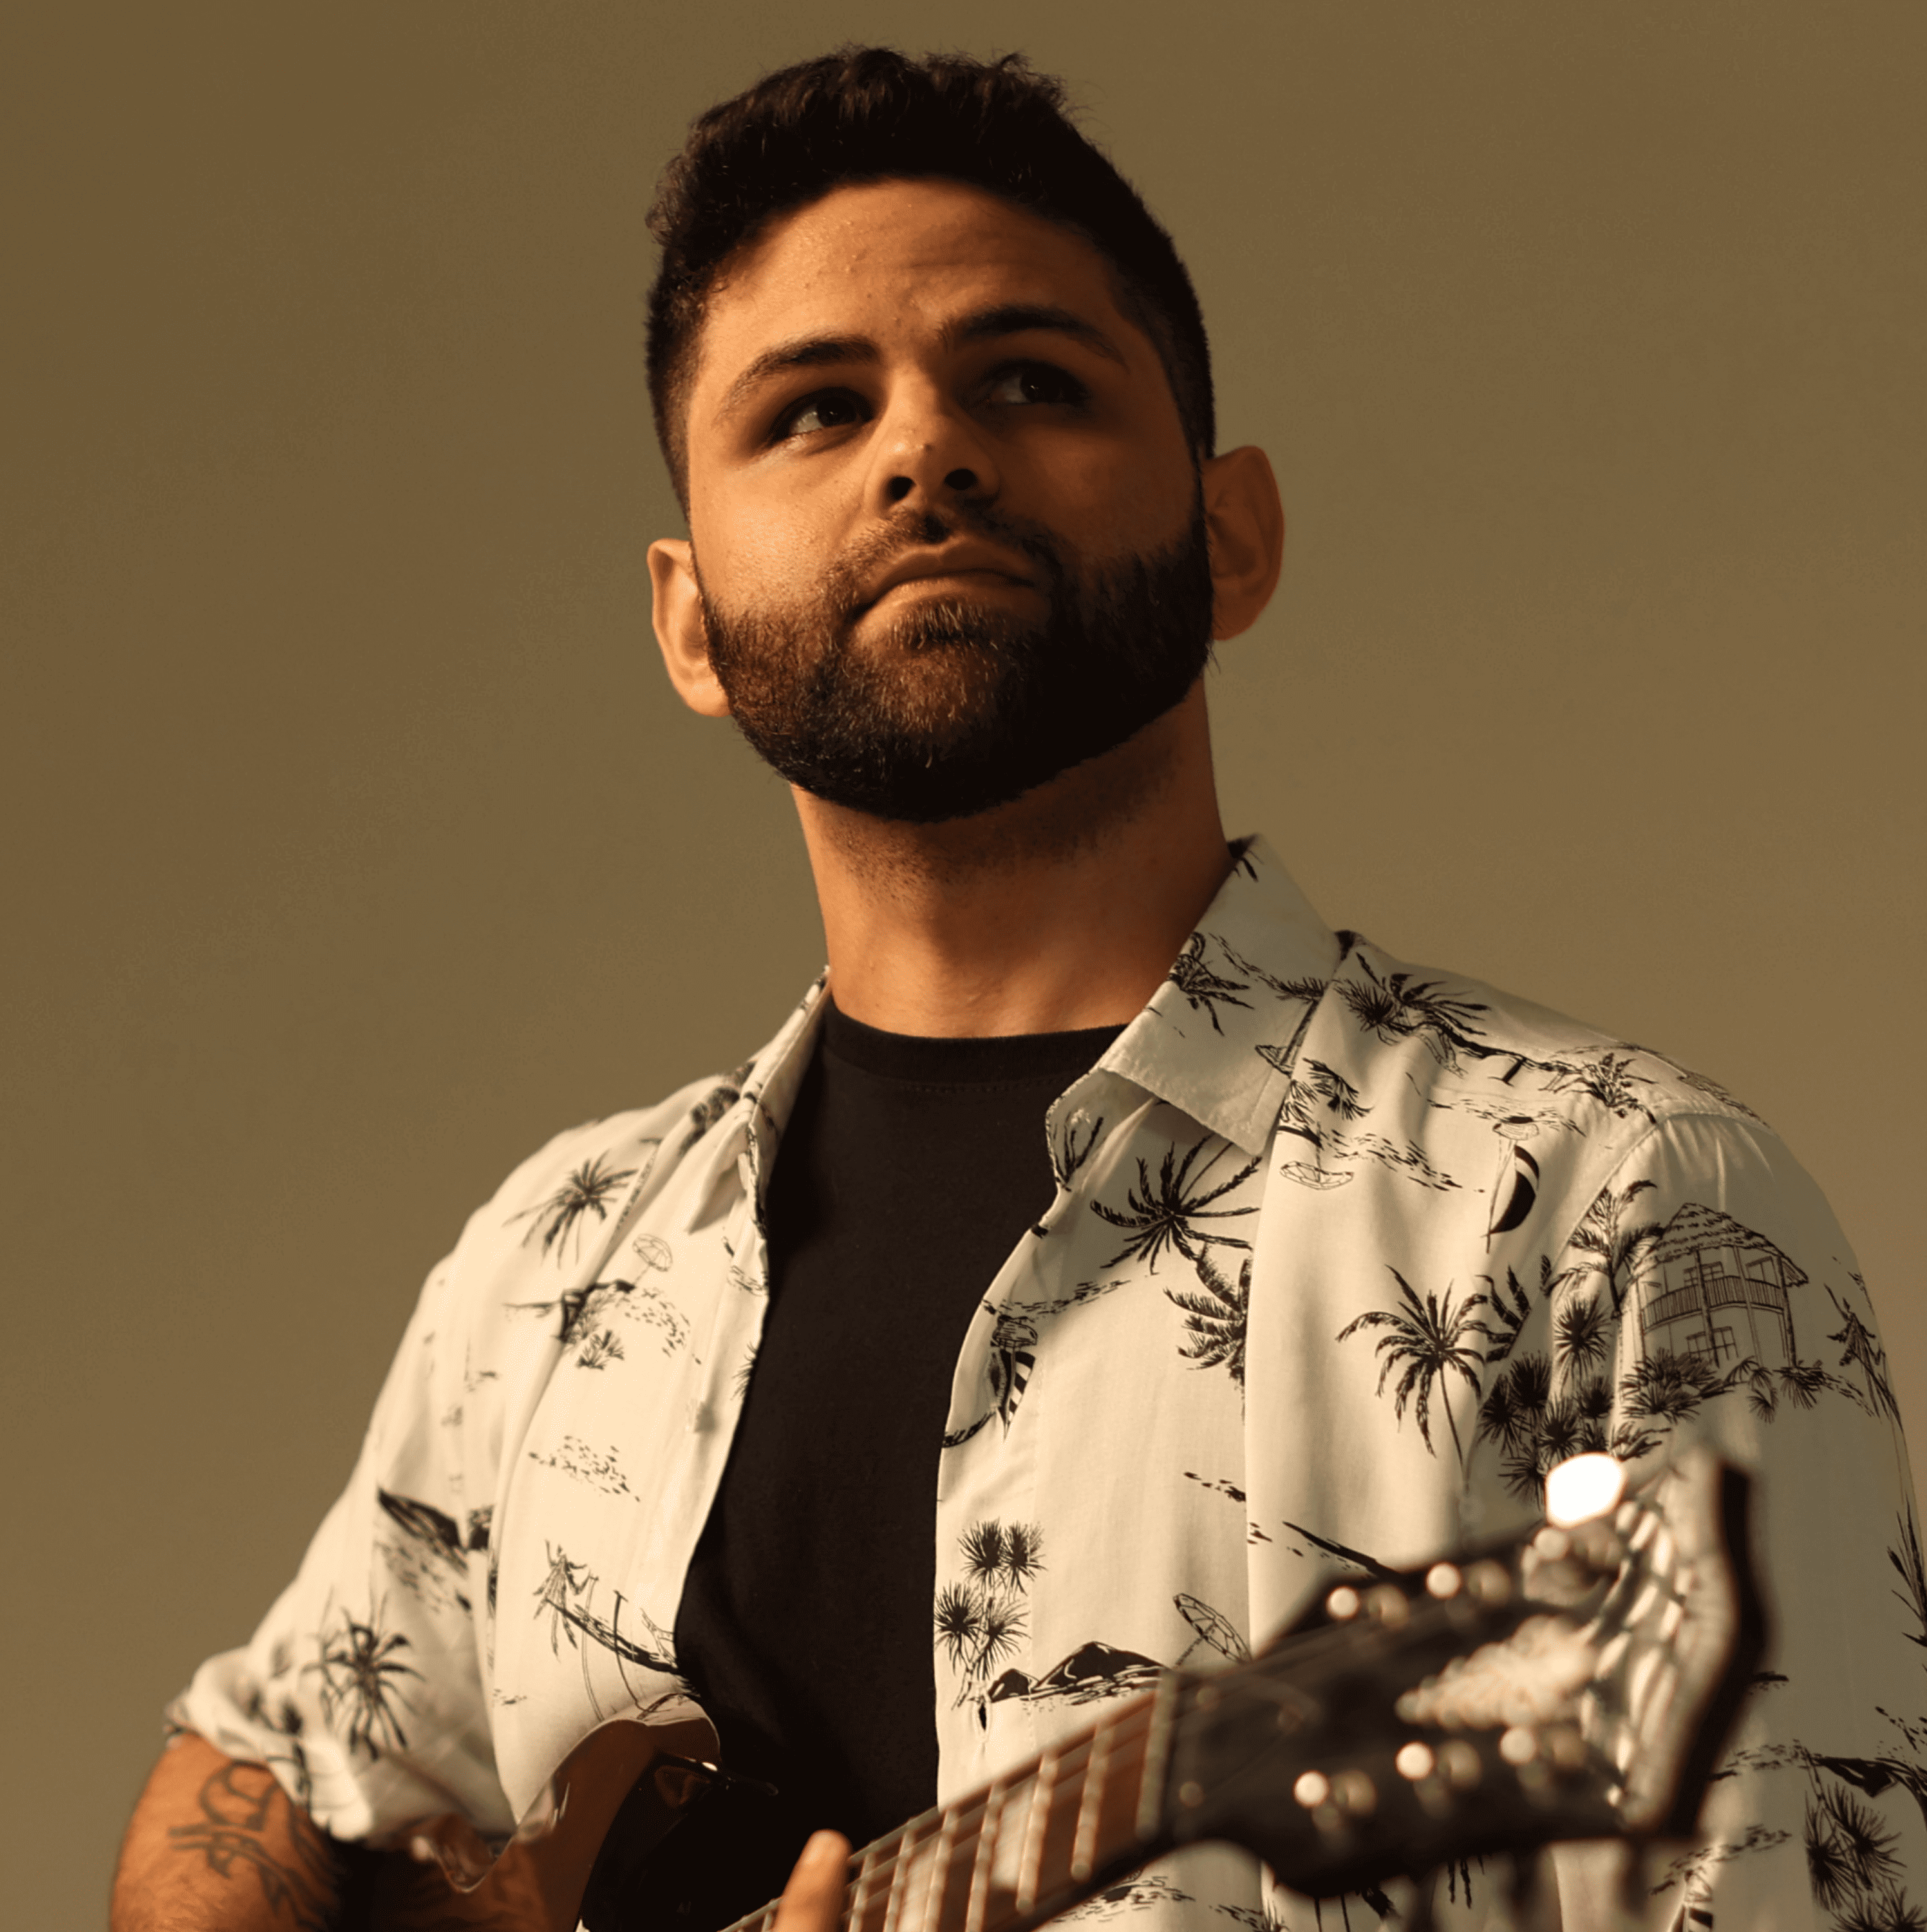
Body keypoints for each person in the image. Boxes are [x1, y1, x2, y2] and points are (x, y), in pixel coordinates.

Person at [113, 46, 1921, 1932]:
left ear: (1233, 537)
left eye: (1033, 384)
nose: (928, 452)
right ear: (688, 622)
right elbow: (241, 1778)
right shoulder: (555, 1268)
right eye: (812, 411)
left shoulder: (1605, 1203)